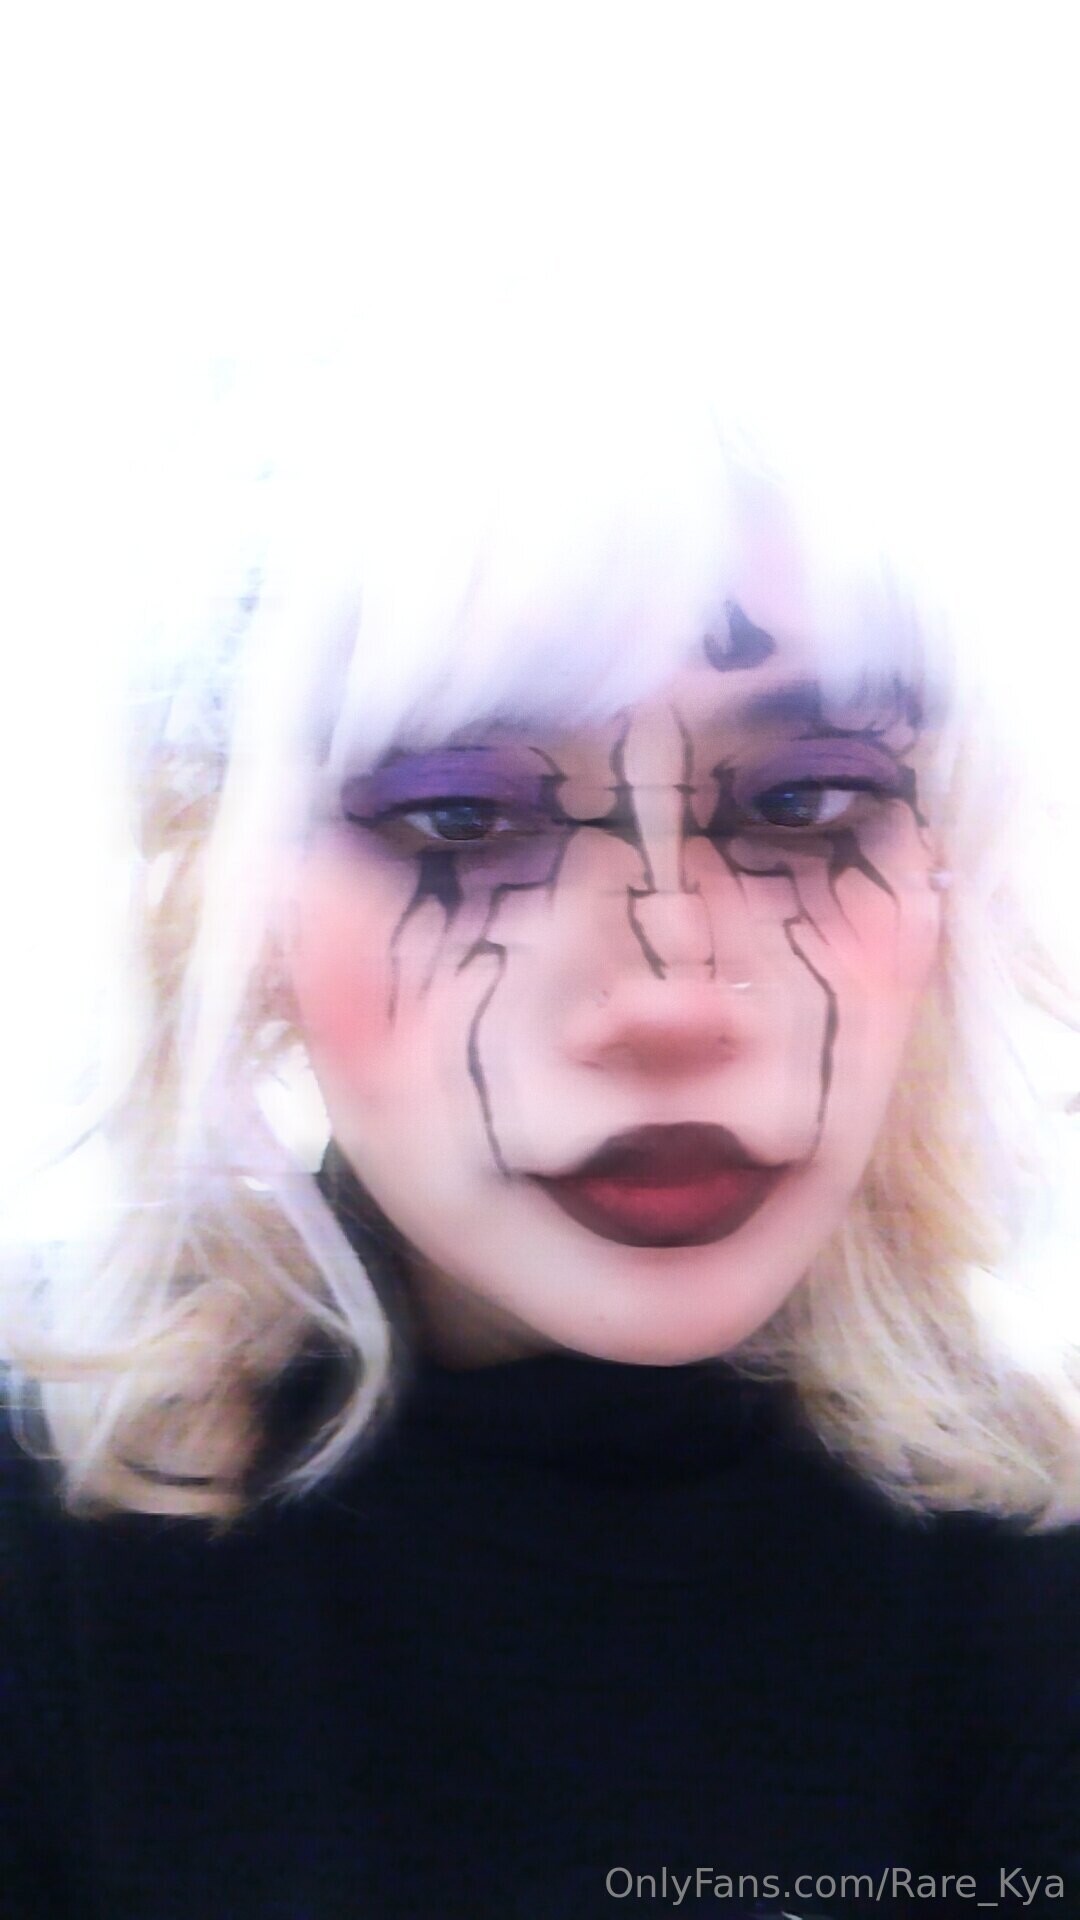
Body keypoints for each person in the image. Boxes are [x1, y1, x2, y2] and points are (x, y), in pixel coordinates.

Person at [2, 340, 1078, 1920]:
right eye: (458, 818)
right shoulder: (48, 1569)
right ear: (236, 901)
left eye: (801, 805)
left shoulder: (1032, 1576)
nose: (669, 997)